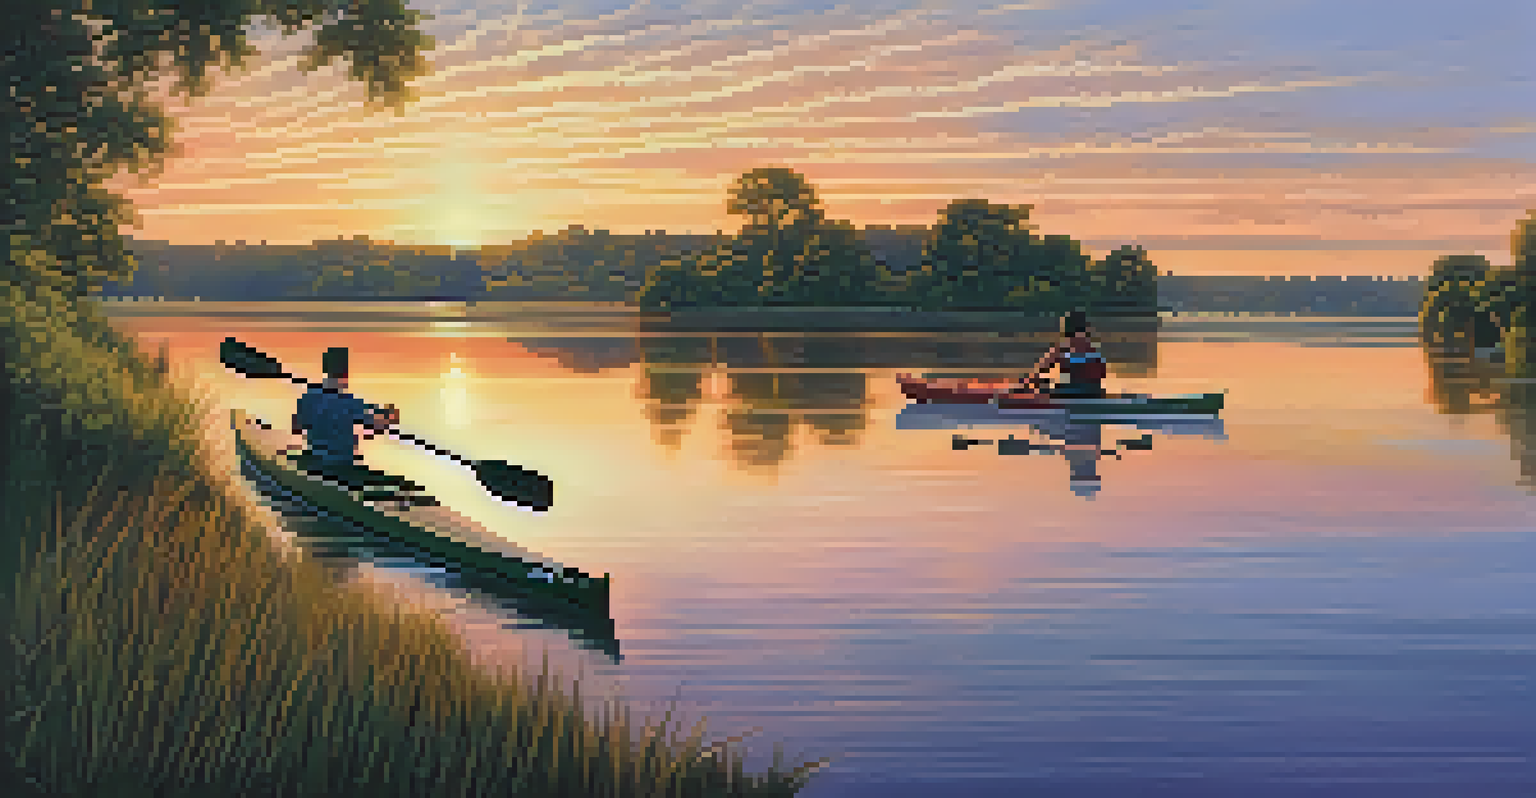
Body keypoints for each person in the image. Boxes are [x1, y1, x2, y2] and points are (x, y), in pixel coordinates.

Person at [291, 346, 435, 508]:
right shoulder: (351, 403)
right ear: (345, 372)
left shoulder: (308, 398)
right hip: (342, 469)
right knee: (405, 485)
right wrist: (391, 417)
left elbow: (297, 426)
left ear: (325, 369)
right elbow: (379, 426)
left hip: (317, 463)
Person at [1028, 311, 1108, 398]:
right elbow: (1102, 373)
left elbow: (1042, 368)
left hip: (1075, 392)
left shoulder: (1064, 346)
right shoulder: (1092, 348)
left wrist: (1030, 384)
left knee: (1045, 388)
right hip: (1095, 392)